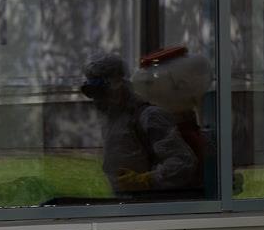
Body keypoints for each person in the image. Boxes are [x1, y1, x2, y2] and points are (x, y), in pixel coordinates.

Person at [79, 54, 199, 200]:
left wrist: (146, 180)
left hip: (149, 203)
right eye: (92, 93)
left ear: (120, 84)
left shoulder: (149, 116)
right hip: (126, 201)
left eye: (101, 91)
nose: (97, 99)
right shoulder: (113, 119)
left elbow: (183, 162)